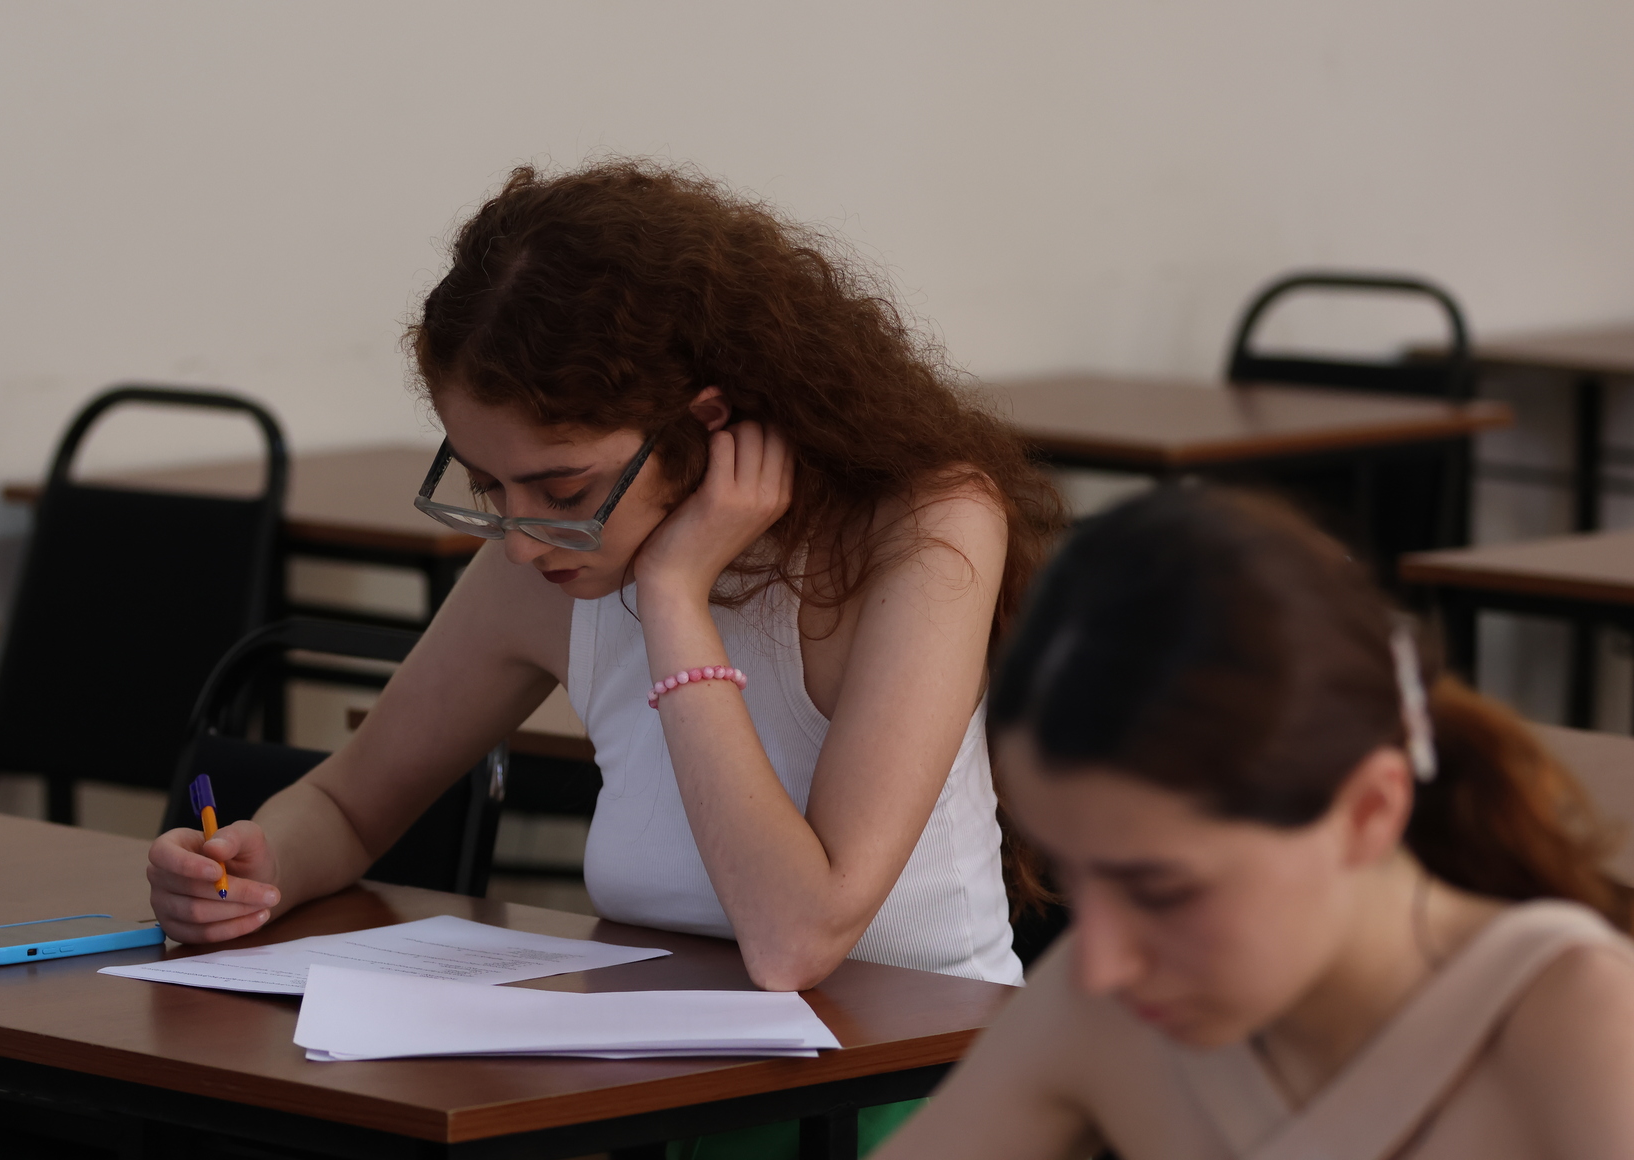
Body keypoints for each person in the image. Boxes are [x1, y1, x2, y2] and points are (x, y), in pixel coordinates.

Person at [147, 160, 1060, 1002]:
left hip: (920, 1073)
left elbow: (796, 940)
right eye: (487, 485)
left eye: (563, 490)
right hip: (662, 1075)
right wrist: (254, 868)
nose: (519, 541)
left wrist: (674, 597)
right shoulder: (546, 558)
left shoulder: (926, 528)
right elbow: (347, 807)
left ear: (705, 421)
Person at [876, 484, 1634, 1160]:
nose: (1101, 963)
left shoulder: (1577, 1020)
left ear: (1369, 811)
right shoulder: (1105, 1005)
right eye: (1075, 880)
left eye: (1163, 892)